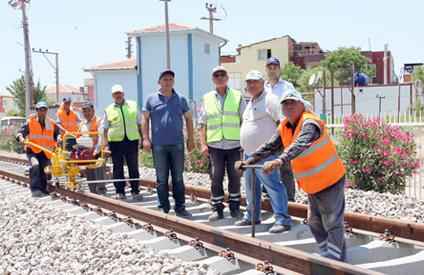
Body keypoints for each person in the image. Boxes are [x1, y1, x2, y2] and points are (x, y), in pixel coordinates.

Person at [237, 89, 347, 261]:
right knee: (314, 221)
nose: (289, 107)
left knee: (332, 221)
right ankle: (328, 254)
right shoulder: (285, 126)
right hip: (313, 183)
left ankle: (336, 261)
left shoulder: (310, 123)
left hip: (329, 179)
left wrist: (279, 161)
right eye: (285, 104)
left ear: (302, 105)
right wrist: (248, 160)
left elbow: (300, 144)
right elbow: (269, 146)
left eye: (292, 103)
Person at [235, 70, 291, 233]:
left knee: (273, 186)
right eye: (249, 82)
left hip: (266, 154)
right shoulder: (250, 102)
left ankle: (282, 219)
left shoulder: (270, 99)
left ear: (262, 83)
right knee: (251, 188)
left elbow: (282, 123)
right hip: (249, 155)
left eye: (255, 82)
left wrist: (278, 148)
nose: (252, 85)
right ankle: (252, 217)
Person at [142, 69, 195, 217]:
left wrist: (190, 139)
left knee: (178, 178)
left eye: (170, 79)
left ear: (174, 81)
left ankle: (180, 207)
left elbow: (189, 119)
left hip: (177, 144)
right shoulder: (151, 99)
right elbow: (144, 119)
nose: (168, 81)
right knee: (161, 179)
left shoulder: (181, 99)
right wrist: (146, 139)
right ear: (159, 82)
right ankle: (163, 207)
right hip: (159, 145)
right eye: (165, 79)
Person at [199, 66, 246, 221]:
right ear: (213, 79)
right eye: (216, 75)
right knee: (215, 177)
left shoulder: (238, 96)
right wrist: (203, 143)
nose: (219, 77)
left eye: (222, 74)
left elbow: (244, 121)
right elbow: (203, 124)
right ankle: (217, 208)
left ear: (227, 77)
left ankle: (235, 208)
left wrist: (244, 143)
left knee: (235, 177)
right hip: (215, 146)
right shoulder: (206, 98)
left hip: (234, 145)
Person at [264, 57, 297, 202]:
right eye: (269, 67)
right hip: (266, 133)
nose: (272, 69)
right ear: (266, 70)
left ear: (279, 69)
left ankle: (290, 198)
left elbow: (295, 106)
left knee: (286, 167)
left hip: (284, 132)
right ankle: (268, 195)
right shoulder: (262, 87)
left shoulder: (287, 87)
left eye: (275, 67)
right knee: (266, 165)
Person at [103, 84, 143, 200]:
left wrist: (144, 139)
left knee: (133, 166)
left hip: (131, 141)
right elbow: (105, 129)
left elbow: (140, 124)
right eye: (116, 93)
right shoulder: (108, 110)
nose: (118, 95)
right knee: (117, 167)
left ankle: (135, 190)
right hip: (115, 143)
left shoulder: (133, 106)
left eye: (119, 93)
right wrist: (106, 145)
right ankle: (120, 191)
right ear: (112, 95)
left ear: (123, 93)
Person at [16, 101, 61, 197]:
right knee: (35, 165)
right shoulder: (30, 122)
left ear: (46, 111)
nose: (42, 112)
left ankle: (44, 189)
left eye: (44, 110)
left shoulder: (52, 123)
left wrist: (59, 138)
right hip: (32, 150)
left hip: (46, 151)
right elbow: (20, 133)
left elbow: (58, 134)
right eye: (40, 110)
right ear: (37, 111)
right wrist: (21, 138)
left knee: (46, 169)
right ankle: (35, 189)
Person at [77, 102, 107, 195]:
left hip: (98, 150)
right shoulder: (82, 124)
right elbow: (78, 137)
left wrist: (95, 151)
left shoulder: (99, 121)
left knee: (99, 166)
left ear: (93, 111)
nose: (87, 113)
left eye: (88, 111)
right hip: (86, 151)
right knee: (89, 169)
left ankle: (101, 190)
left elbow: (101, 137)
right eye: (84, 111)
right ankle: (93, 191)